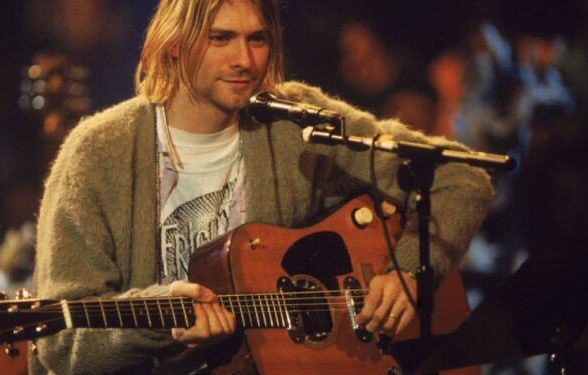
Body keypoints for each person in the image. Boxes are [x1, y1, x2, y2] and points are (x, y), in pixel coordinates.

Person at [29, 0, 494, 373]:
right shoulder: (96, 153)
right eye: (221, 39)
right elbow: (61, 343)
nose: (245, 61)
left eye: (258, 40)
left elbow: (460, 176)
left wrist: (409, 273)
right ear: (174, 43)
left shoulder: (295, 123)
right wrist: (157, 322)